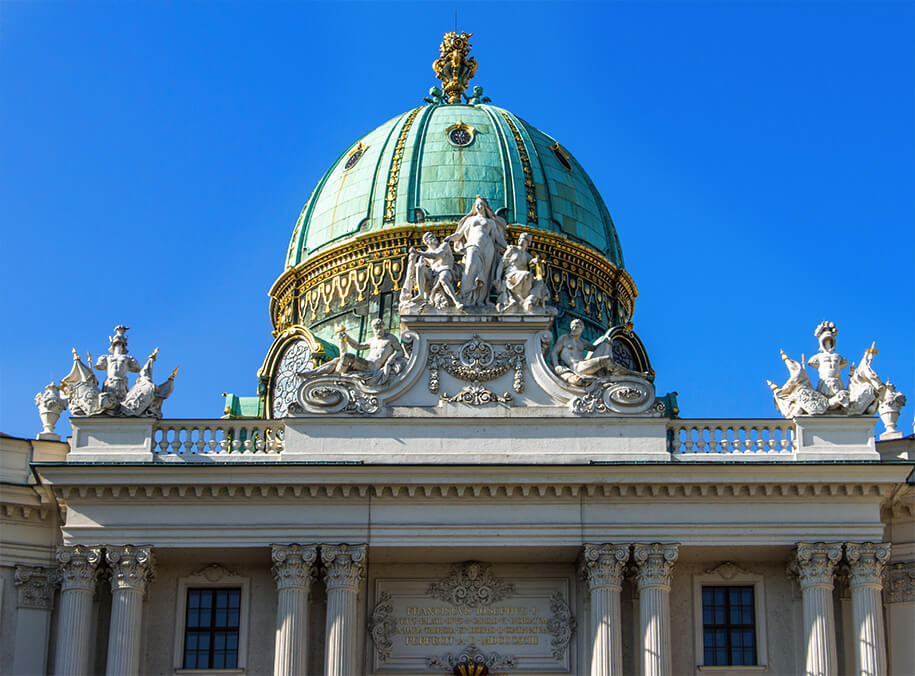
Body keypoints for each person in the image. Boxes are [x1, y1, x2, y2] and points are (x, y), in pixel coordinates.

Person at [445, 196, 508, 307]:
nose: (479, 206)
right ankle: (465, 295)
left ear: (485, 207)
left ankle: (481, 300)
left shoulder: (491, 222)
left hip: (488, 248)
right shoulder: (470, 220)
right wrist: (450, 237)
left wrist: (508, 248)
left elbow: (498, 237)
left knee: (485, 273)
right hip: (473, 246)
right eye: (477, 204)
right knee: (469, 268)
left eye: (481, 204)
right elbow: (459, 234)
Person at [304, 319, 406, 385]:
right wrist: (347, 338)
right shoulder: (372, 340)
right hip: (365, 362)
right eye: (376, 329)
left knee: (346, 357)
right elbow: (358, 346)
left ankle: (333, 377)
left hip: (372, 367)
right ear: (373, 329)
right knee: (337, 359)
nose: (378, 331)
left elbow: (400, 351)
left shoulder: (390, 338)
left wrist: (390, 360)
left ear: (383, 327)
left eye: (380, 329)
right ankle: (313, 373)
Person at [551, 319, 644, 381]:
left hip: (583, 365)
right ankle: (630, 374)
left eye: (577, 327)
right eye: (573, 327)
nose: (574, 329)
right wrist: (556, 365)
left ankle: (610, 372)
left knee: (606, 344)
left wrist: (607, 342)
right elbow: (555, 352)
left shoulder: (582, 342)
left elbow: (596, 348)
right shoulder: (565, 338)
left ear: (581, 330)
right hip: (576, 368)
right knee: (606, 359)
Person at [407, 232, 463, 310]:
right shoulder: (426, 254)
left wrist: (417, 252)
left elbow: (435, 255)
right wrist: (412, 261)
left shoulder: (444, 245)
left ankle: (456, 301)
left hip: (446, 270)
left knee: (443, 278)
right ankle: (421, 294)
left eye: (433, 236)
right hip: (434, 274)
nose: (434, 238)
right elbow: (419, 267)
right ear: (427, 242)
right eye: (431, 237)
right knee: (420, 266)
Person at [497, 232, 550, 312]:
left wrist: (537, 262)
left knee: (540, 282)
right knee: (527, 275)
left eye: (524, 240)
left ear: (527, 243)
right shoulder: (512, 250)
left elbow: (538, 268)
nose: (520, 241)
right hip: (511, 275)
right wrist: (497, 277)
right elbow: (502, 263)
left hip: (523, 277)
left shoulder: (527, 256)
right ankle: (521, 301)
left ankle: (530, 300)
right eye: (520, 239)